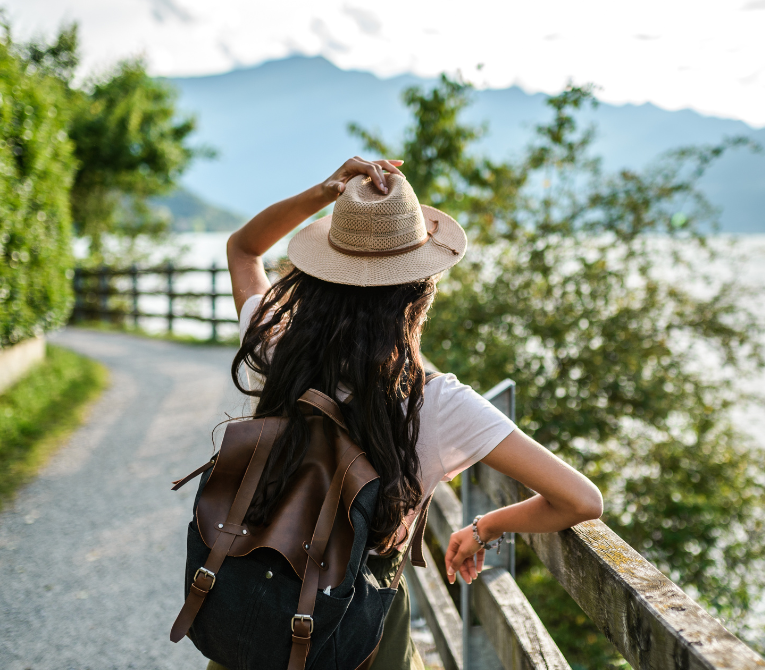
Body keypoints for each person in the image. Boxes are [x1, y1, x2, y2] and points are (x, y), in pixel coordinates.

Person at [219, 156, 602, 669]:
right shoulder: (438, 403)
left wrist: (326, 191)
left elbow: (243, 248)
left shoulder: (275, 345)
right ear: (419, 292)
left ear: (318, 275)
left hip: (256, 611)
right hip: (362, 638)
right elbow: (580, 499)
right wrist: (483, 528)